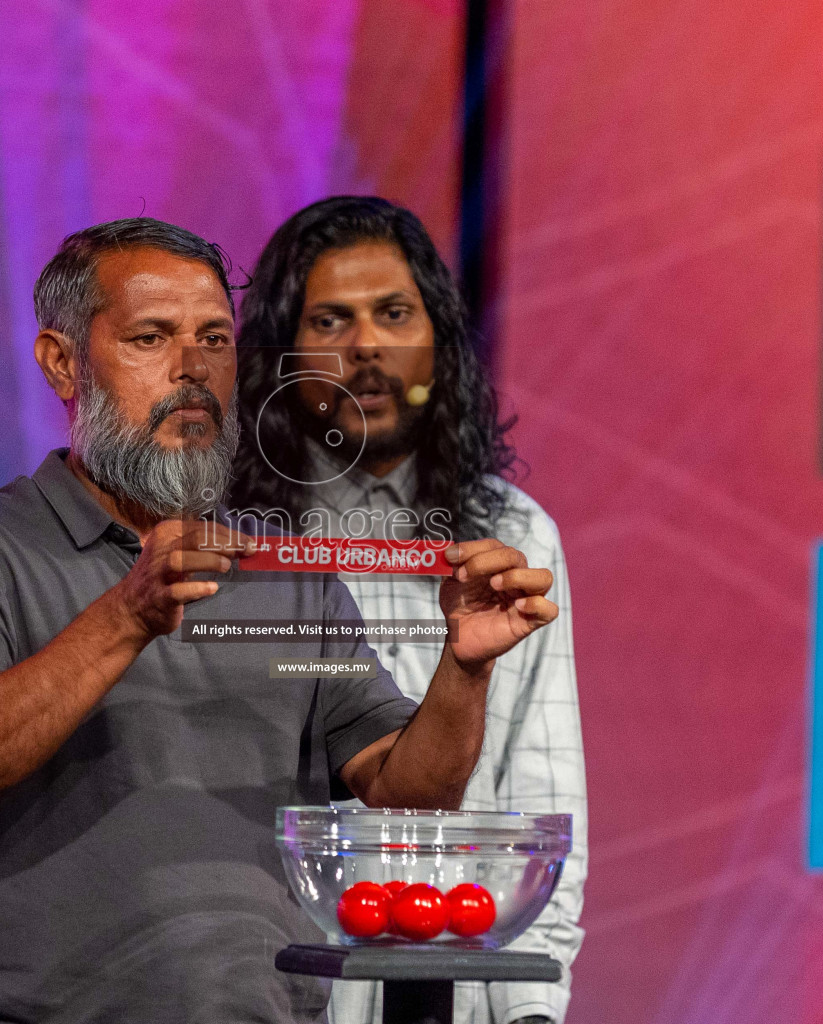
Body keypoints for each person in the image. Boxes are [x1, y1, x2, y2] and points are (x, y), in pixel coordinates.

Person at [0, 217, 560, 1023]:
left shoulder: (285, 575)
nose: (192, 369)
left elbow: (404, 789)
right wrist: (127, 615)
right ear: (63, 363)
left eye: (213, 338)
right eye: (150, 337)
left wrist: (465, 667)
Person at [231, 197, 587, 1024]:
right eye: (331, 320)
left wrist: (532, 1010)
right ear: (282, 353)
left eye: (394, 313)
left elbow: (539, 789)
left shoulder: (514, 532)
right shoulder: (236, 539)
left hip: (454, 996)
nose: (367, 347)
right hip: (269, 990)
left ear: (438, 339)